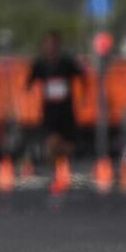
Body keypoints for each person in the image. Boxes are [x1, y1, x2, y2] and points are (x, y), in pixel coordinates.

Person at [25, 30, 81, 186]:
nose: (50, 47)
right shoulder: (40, 64)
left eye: (53, 44)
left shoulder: (66, 63)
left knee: (68, 145)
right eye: (47, 44)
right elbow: (29, 83)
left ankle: (64, 167)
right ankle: (55, 171)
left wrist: (83, 97)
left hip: (66, 108)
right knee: (52, 141)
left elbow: (82, 77)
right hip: (49, 109)